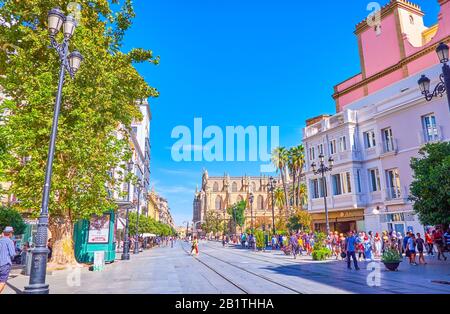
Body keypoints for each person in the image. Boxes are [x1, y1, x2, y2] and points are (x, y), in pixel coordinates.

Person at [0, 227, 17, 294]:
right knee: (2, 281)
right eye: (12, 233)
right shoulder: (9, 241)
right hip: (5, 264)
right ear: (10, 233)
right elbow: (12, 254)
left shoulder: (0, 240)